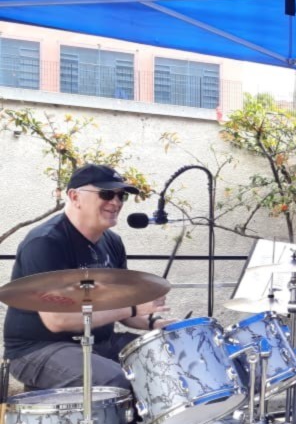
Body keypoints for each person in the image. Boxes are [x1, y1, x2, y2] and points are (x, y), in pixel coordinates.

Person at [3, 164, 171, 391]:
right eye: (106, 194)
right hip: (38, 349)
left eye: (121, 196)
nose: (116, 202)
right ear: (75, 197)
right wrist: (133, 309)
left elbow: (123, 310)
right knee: (117, 380)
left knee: (167, 358)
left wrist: (157, 324)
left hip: (98, 342)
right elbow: (57, 320)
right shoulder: (46, 242)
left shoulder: (112, 242)